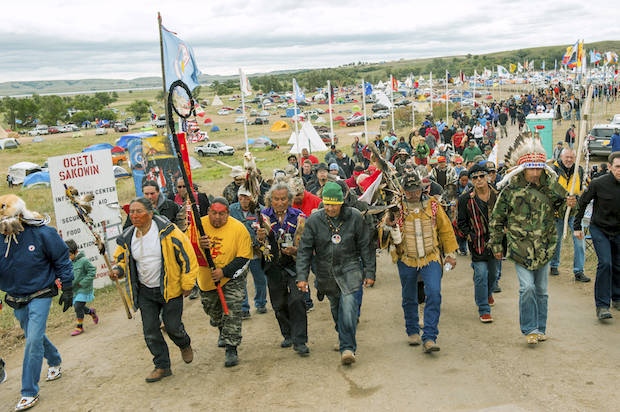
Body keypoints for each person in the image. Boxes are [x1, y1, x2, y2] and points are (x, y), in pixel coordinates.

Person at [489, 137, 576, 345]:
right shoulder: (510, 191)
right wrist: (496, 245)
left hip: (545, 247)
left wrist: (571, 203)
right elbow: (497, 219)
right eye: (531, 169)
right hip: (520, 248)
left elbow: (565, 210)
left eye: (538, 169)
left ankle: (540, 328)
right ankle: (529, 328)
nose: (535, 173)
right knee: (526, 288)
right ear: (523, 169)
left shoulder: (552, 187)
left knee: (542, 292)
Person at [111, 198, 198, 382]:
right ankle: (162, 366)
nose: (134, 216)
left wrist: (188, 283)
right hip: (145, 292)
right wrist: (117, 270)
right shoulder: (128, 237)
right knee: (150, 330)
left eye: (138, 211)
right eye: (131, 212)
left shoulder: (168, 232)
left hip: (171, 289)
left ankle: (184, 343)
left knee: (172, 326)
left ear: (150, 213)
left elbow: (187, 256)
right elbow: (120, 259)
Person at [0, 194, 74, 411]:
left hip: (41, 292)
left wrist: (67, 286)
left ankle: (29, 391)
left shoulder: (43, 233)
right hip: (16, 297)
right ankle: (54, 360)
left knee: (32, 340)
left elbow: (61, 258)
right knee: (33, 333)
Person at [296, 182, 376, 365]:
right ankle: (342, 333)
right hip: (326, 273)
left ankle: (347, 348)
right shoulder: (314, 221)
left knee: (348, 308)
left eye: (334, 204)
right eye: (327, 204)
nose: (330, 208)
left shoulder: (355, 217)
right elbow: (304, 250)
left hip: (351, 268)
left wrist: (369, 271)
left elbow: (366, 246)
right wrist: (302, 277)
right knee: (336, 308)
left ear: (342, 203)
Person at [380, 171, 458, 353]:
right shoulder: (396, 208)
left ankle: (430, 336)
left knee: (434, 293)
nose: (413, 194)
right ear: (403, 190)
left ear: (421, 189)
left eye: (416, 190)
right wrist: (388, 226)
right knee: (409, 296)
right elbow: (382, 234)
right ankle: (413, 330)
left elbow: (446, 229)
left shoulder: (433, 206)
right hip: (406, 259)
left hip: (431, 257)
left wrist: (450, 254)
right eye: (409, 190)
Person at [196, 197, 253, 367]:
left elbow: (244, 257)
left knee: (233, 309)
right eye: (214, 213)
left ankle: (231, 347)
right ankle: (222, 329)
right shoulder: (198, 226)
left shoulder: (238, 229)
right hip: (207, 278)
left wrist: (224, 272)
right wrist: (198, 244)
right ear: (208, 212)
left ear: (228, 213)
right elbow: (186, 248)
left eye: (221, 214)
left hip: (231, 276)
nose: (217, 217)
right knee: (213, 310)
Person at [256, 183, 310, 356]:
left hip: (294, 264)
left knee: (297, 300)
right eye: (276, 199)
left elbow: (308, 245)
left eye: (283, 199)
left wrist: (296, 250)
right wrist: (260, 240)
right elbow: (257, 249)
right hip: (273, 265)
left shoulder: (300, 217)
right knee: (279, 303)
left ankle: (300, 340)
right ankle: (288, 334)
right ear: (270, 200)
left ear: (290, 200)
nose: (280, 203)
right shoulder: (262, 217)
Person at [574, 152, 620, 320]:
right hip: (599, 228)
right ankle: (602, 306)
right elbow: (582, 202)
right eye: (617, 167)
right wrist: (577, 226)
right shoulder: (598, 184)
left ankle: (617, 298)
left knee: (618, 264)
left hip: (618, 230)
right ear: (609, 167)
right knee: (605, 263)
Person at [457, 164, 501, 323]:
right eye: (474, 177)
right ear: (471, 180)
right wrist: (469, 235)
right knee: (481, 274)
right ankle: (484, 309)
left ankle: (488, 293)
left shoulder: (498, 195)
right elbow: (460, 222)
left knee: (494, 274)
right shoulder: (464, 199)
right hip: (477, 244)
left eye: (482, 176)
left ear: (488, 176)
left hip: (496, 244)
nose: (479, 180)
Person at [549, 148, 590, 282]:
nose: (569, 160)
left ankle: (579, 271)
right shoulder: (553, 171)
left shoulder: (579, 170)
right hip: (557, 211)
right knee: (556, 239)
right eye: (567, 157)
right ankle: (554, 265)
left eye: (572, 157)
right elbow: (549, 191)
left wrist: (576, 200)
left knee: (579, 241)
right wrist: (563, 200)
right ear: (561, 157)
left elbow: (582, 190)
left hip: (574, 212)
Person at [228, 187, 268, 318]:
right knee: (241, 279)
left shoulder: (260, 210)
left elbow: (267, 229)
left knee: (260, 278)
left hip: (256, 251)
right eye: (241, 197)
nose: (244, 200)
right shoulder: (232, 209)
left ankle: (261, 303)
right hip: (240, 251)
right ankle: (244, 307)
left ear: (252, 198)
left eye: (247, 197)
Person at [65, 239, 99, 336]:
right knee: (78, 306)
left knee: (77, 306)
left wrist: (83, 283)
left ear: (75, 252)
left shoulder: (83, 261)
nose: (67, 258)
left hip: (84, 288)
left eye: (69, 255)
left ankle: (79, 326)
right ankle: (91, 312)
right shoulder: (68, 263)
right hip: (75, 290)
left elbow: (92, 271)